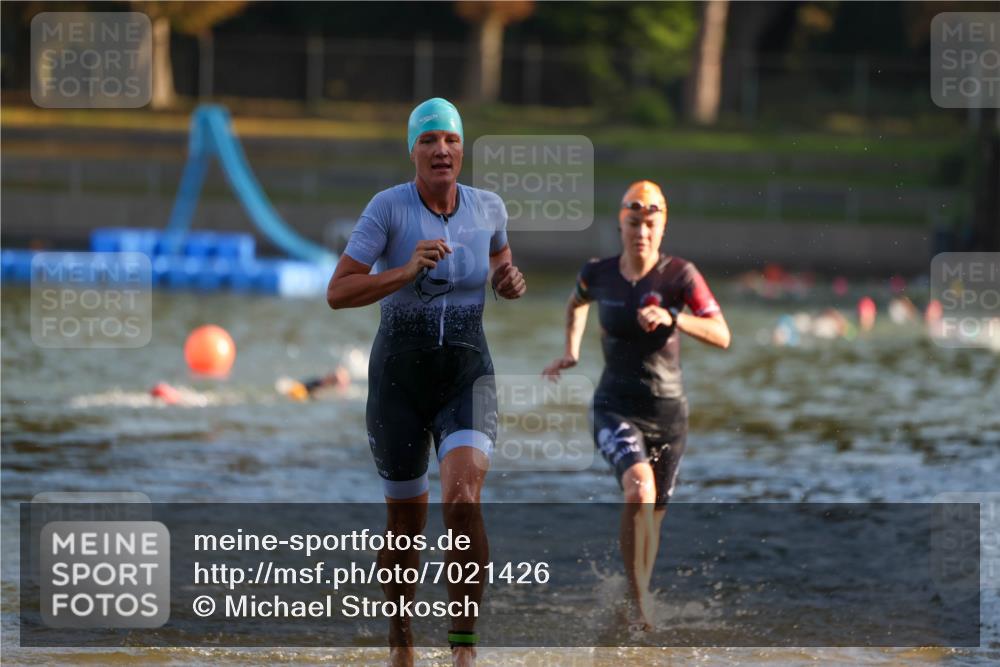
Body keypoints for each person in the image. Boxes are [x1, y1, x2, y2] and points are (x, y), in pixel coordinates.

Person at [326, 97, 526, 667]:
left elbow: (502, 267)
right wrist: (406, 271)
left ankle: (463, 649)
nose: (441, 150)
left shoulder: (488, 207)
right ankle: (402, 640)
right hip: (399, 386)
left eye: (451, 140)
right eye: (428, 140)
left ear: (463, 149)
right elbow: (338, 292)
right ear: (412, 149)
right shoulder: (387, 210)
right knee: (406, 521)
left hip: (467, 378)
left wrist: (510, 281)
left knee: (463, 500)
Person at [542, 180, 730, 630]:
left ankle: (635, 599)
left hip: (668, 413)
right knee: (638, 489)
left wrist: (674, 318)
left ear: (662, 226)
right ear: (620, 224)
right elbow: (575, 303)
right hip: (614, 405)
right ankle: (638, 597)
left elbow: (722, 334)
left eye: (650, 224)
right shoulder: (598, 273)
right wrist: (571, 349)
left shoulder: (680, 276)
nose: (641, 232)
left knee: (654, 516)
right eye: (633, 223)